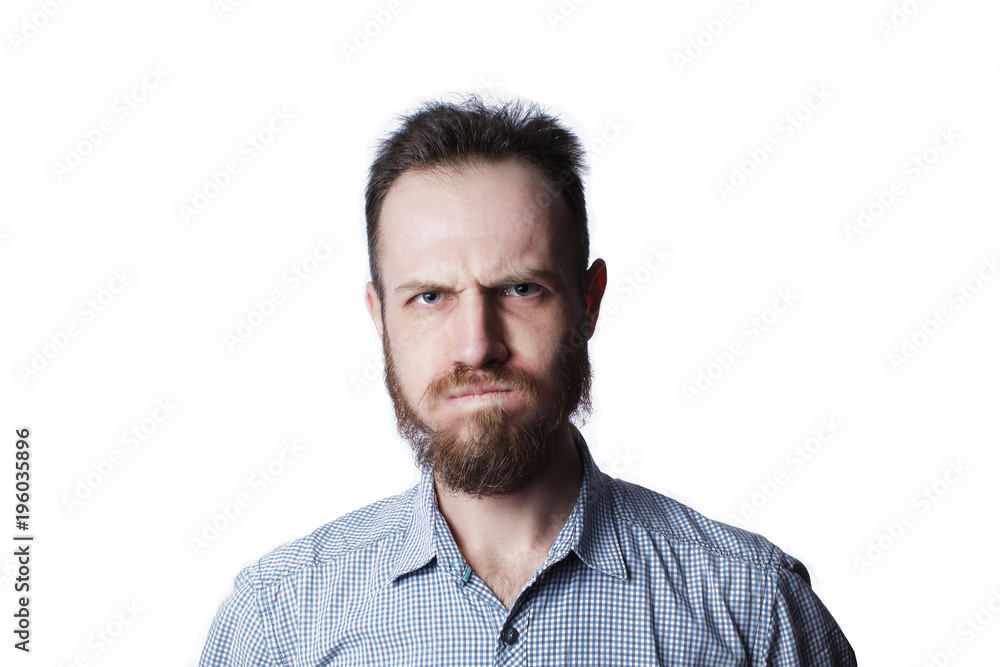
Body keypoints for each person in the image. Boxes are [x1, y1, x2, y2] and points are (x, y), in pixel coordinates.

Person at [200, 95, 856, 665]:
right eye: (430, 297)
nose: (477, 345)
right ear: (380, 318)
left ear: (588, 302)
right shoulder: (279, 621)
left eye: (520, 288)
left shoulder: (753, 608)